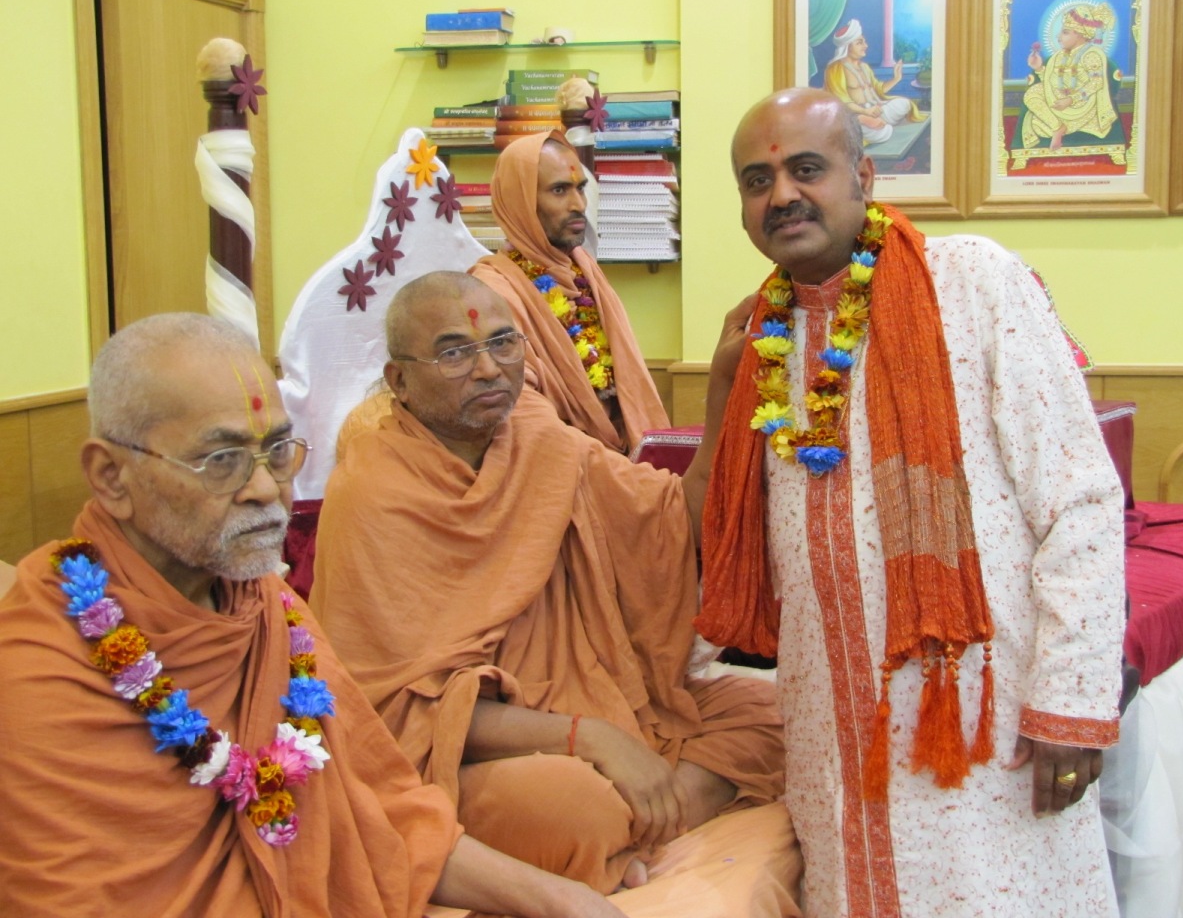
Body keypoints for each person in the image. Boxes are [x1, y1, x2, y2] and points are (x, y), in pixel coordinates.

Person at [0, 313, 627, 918]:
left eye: (276, 450)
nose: (266, 489)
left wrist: (566, 902)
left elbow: (384, 809)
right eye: (222, 460)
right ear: (110, 477)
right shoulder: (37, 675)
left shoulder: (268, 608)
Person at [695, 87, 1126, 916]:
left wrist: (1071, 700)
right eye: (757, 180)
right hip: (832, 721)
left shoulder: (971, 281)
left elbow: (1079, 497)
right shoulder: (758, 337)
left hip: (977, 720)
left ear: (864, 174)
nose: (782, 194)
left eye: (806, 169)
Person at [309, 271, 784, 897]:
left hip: (603, 700)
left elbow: (675, 522)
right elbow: (400, 710)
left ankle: (640, 824)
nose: (488, 369)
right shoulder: (373, 492)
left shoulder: (543, 440)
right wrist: (591, 739)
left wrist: (724, 386)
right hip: (471, 752)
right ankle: (632, 820)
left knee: (778, 713)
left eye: (504, 343)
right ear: (399, 379)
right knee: (575, 805)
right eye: (456, 352)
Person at [468, 130, 671, 454]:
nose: (578, 205)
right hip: (557, 464)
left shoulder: (585, 271)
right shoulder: (493, 292)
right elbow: (521, 417)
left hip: (626, 457)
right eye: (559, 190)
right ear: (519, 201)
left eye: (580, 188)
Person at [1021, 3, 1121, 151]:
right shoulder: (1060, 56)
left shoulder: (1091, 55)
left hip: (1081, 106)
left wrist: (1070, 99)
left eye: (1065, 32)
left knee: (1038, 124)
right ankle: (1058, 127)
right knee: (1032, 97)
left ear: (1080, 34)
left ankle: (1056, 127)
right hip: (1059, 101)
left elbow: (1096, 82)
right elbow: (1052, 84)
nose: (1058, 37)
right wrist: (1039, 68)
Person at [822, 19, 924, 146]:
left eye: (864, 42)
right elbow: (840, 101)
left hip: (877, 109)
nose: (866, 46)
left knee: (905, 104)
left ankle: (876, 123)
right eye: (860, 43)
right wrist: (864, 114)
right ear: (847, 47)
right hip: (854, 116)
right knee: (884, 132)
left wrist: (896, 78)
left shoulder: (864, 67)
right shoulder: (835, 69)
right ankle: (865, 124)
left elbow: (878, 89)